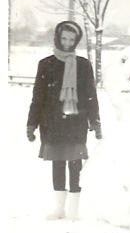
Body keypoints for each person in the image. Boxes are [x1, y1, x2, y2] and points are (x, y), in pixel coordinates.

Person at [27, 21, 101, 220]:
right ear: (57, 38)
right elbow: (38, 96)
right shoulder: (46, 64)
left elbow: (90, 95)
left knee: (75, 164)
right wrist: (31, 123)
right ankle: (59, 209)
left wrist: (95, 121)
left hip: (76, 121)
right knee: (58, 163)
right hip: (52, 122)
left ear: (76, 41)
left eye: (71, 39)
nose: (67, 43)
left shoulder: (83, 65)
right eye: (64, 39)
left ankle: (74, 211)